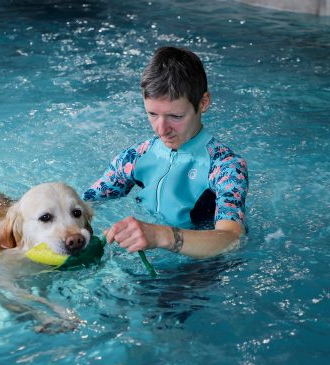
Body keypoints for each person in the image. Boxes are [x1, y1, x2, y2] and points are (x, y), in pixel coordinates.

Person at [83, 46, 248, 259]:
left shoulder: (225, 167)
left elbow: (231, 240)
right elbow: (85, 204)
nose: (161, 130)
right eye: (152, 114)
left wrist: (161, 236)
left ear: (203, 103)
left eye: (176, 117)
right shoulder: (136, 157)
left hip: (202, 268)